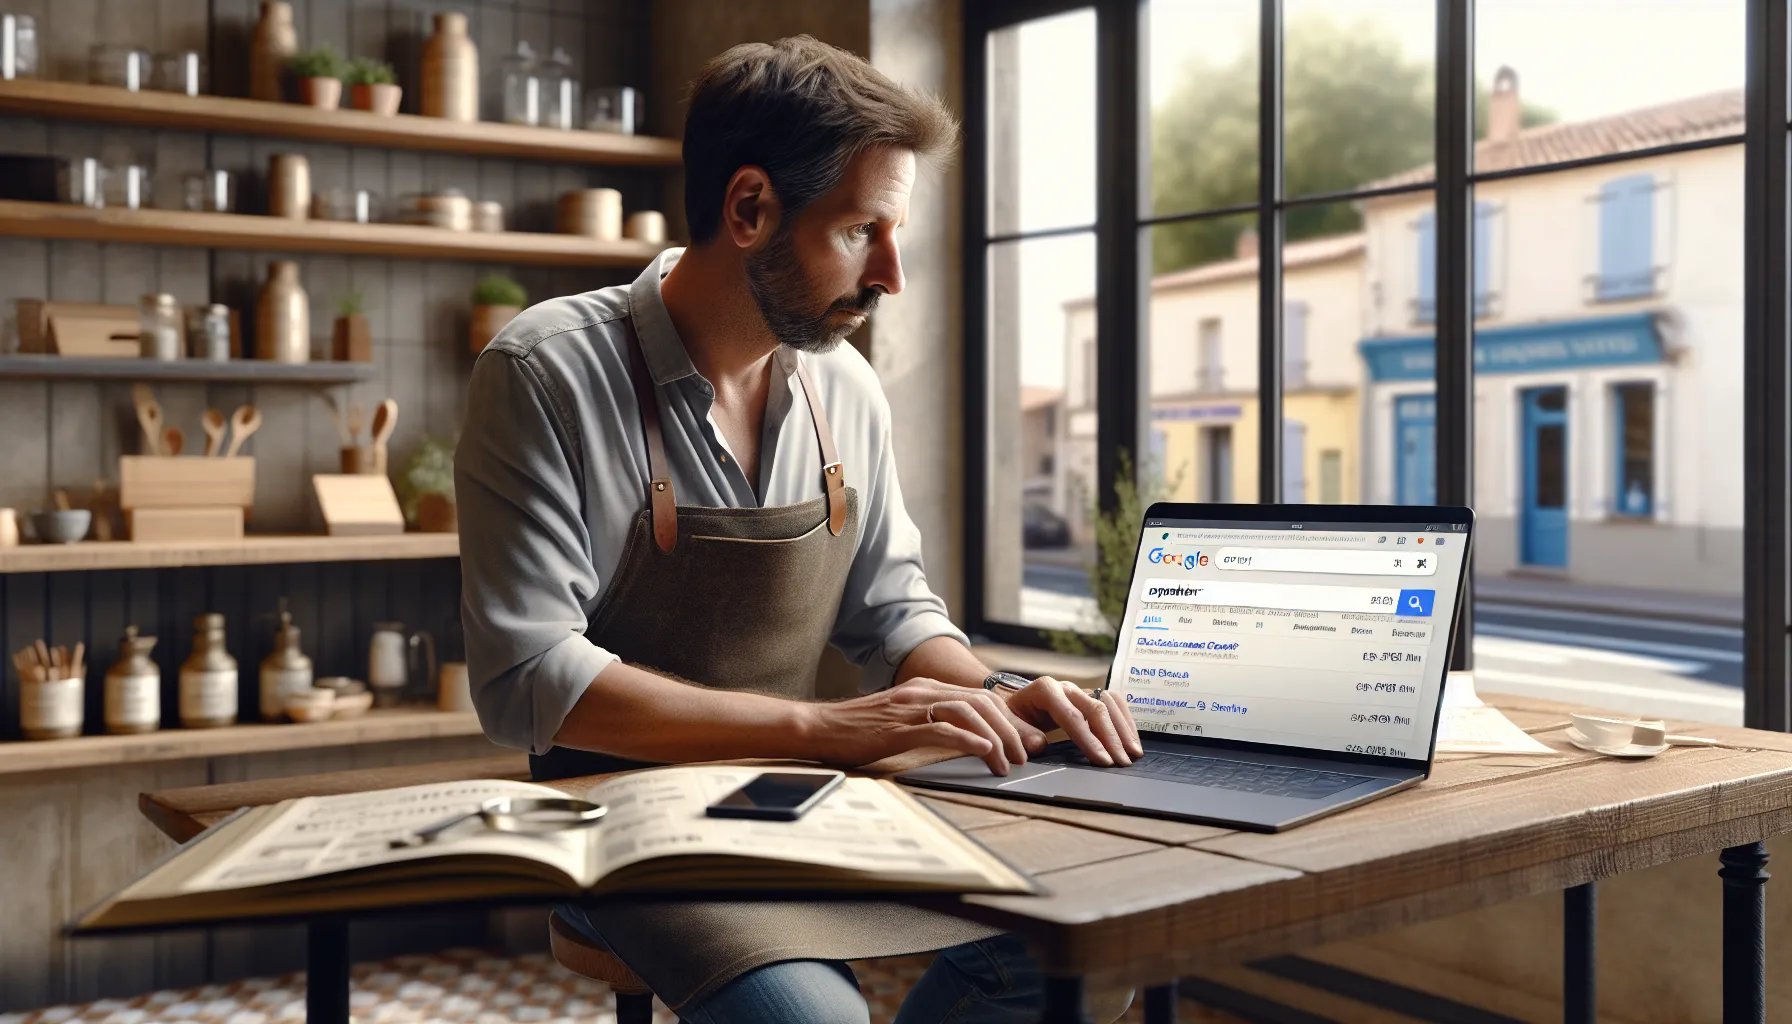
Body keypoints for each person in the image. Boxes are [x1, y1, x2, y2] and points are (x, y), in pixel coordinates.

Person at [456, 35, 1143, 1024]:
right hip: (620, 823)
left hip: (804, 800)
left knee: (1092, 936)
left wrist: (998, 693)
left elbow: (892, 613)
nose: (894, 274)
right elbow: (528, 681)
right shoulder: (545, 373)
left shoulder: (845, 386)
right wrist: (827, 729)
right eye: (865, 229)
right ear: (748, 209)